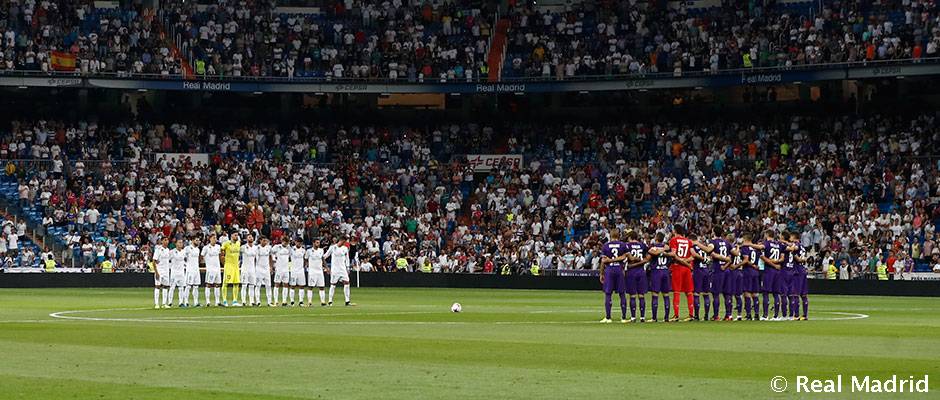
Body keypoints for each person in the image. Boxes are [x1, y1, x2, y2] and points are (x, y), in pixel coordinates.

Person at [598, 228, 628, 323]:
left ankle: (608, 317)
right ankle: (623, 318)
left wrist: (601, 273)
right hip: (619, 269)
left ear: (610, 235)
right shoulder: (623, 245)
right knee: (622, 293)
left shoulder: (606, 246)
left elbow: (603, 261)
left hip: (609, 270)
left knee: (608, 293)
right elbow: (625, 257)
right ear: (618, 236)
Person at [668, 225, 697, 322]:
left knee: (676, 291)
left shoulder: (673, 240)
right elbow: (693, 255)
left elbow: (673, 254)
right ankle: (691, 314)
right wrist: (686, 261)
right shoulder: (688, 241)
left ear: (675, 231)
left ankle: (676, 315)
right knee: (689, 292)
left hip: (677, 267)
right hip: (687, 268)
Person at [646, 233, 673, 322]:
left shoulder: (653, 248)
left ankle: (654, 318)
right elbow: (671, 258)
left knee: (655, 295)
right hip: (665, 271)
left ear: (656, 238)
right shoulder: (667, 248)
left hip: (656, 272)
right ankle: (666, 318)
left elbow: (649, 256)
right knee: (666, 295)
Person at [624, 230, 648, 322]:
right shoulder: (642, 245)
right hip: (641, 271)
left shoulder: (627, 245)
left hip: (631, 272)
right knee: (641, 295)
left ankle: (633, 317)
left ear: (630, 237)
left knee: (632, 295)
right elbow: (647, 256)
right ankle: (642, 317)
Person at [758, 231, 784, 320]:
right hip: (777, 271)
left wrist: (772, 263)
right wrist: (776, 263)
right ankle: (776, 316)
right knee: (776, 293)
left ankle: (765, 315)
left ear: (767, 235)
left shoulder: (766, 244)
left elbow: (762, 257)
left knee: (766, 293)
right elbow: (782, 258)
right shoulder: (779, 245)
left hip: (769, 270)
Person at [324, 237, 352, 306]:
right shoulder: (332, 247)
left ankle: (347, 301)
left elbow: (347, 259)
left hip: (343, 269)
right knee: (333, 284)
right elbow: (325, 256)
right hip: (335, 270)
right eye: (344, 241)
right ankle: (330, 301)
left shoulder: (345, 248)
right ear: (341, 240)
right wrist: (326, 267)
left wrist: (348, 268)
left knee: (347, 283)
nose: (344, 243)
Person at [787, 233, 809, 321]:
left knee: (795, 294)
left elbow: (795, 251)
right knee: (804, 294)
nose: (790, 239)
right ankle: (805, 315)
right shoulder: (803, 246)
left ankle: (796, 315)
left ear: (795, 238)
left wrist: (794, 255)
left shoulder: (796, 245)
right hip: (803, 270)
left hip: (797, 271)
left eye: (791, 238)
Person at [740, 234, 761, 320]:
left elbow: (746, 259)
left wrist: (751, 265)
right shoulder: (756, 248)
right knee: (755, 294)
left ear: (745, 239)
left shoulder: (745, 248)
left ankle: (749, 315)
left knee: (747, 293)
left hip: (748, 271)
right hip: (755, 272)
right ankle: (756, 314)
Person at [220, 232, 242, 306]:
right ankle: (225, 301)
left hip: (236, 266)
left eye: (237, 235)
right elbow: (221, 254)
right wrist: (224, 263)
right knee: (225, 283)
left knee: (236, 283)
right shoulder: (226, 244)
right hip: (229, 266)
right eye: (235, 235)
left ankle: (235, 301)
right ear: (231, 235)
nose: (237, 236)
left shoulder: (238, 243)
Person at [201, 234, 223, 306]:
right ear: (210, 239)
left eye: (216, 238)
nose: (215, 239)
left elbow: (220, 256)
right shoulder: (206, 248)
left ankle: (217, 302)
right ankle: (208, 301)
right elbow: (201, 256)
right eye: (213, 238)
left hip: (217, 269)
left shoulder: (218, 247)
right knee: (208, 285)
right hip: (210, 269)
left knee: (217, 285)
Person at [305, 239, 327, 306]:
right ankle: (309, 302)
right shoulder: (309, 251)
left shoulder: (321, 250)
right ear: (313, 243)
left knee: (322, 287)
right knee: (310, 286)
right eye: (317, 242)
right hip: (312, 271)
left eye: (319, 242)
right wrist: (307, 265)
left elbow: (323, 259)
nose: (318, 244)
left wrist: (326, 267)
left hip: (320, 271)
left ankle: (323, 302)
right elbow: (305, 259)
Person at [152, 237, 172, 309]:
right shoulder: (158, 250)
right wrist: (156, 272)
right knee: (157, 286)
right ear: (162, 241)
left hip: (166, 271)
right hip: (159, 270)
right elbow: (154, 261)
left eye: (167, 240)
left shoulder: (167, 250)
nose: (166, 241)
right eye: (165, 240)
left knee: (165, 287)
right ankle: (156, 304)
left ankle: (164, 303)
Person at [168, 238, 188, 308]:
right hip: (174, 272)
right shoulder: (172, 252)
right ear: (176, 244)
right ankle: (170, 302)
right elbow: (167, 260)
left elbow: (185, 260)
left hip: (181, 272)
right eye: (179, 242)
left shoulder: (184, 252)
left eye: (181, 242)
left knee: (181, 288)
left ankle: (181, 302)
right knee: (172, 287)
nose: (181, 244)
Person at [272, 237, 291, 306]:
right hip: (279, 269)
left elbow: (291, 256)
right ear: (282, 241)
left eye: (287, 242)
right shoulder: (277, 247)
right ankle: (276, 301)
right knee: (277, 284)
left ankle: (284, 301)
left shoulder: (289, 248)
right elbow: (271, 253)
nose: (286, 243)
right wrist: (274, 259)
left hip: (286, 269)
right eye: (285, 241)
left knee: (286, 284)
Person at [240, 234, 258, 307]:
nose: (251, 238)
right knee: (244, 285)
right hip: (245, 269)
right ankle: (243, 301)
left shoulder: (255, 248)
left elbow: (257, 259)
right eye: (249, 237)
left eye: (251, 237)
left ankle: (251, 301)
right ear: (246, 239)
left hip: (252, 269)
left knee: (251, 286)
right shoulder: (243, 247)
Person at [256, 237, 274, 306]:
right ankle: (258, 301)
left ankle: (269, 302)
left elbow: (270, 257)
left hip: (266, 269)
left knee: (268, 285)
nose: (265, 242)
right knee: (258, 285)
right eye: (263, 241)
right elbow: (254, 258)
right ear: (260, 241)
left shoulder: (269, 248)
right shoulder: (257, 248)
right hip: (259, 269)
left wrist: (271, 266)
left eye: (266, 241)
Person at [289, 238, 307, 306]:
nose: (299, 243)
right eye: (297, 242)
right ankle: (292, 301)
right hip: (293, 270)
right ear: (295, 242)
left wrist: (305, 265)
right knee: (292, 286)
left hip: (301, 270)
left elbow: (305, 259)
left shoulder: (303, 250)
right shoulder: (291, 249)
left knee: (301, 286)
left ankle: (301, 301)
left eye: (300, 242)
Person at [184, 238, 202, 307]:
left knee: (196, 286)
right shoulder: (187, 248)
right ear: (192, 241)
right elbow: (183, 257)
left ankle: (196, 302)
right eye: (196, 240)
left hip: (196, 270)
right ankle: (186, 302)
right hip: (190, 270)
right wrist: (186, 265)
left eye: (198, 240)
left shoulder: (198, 249)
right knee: (188, 286)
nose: (198, 241)